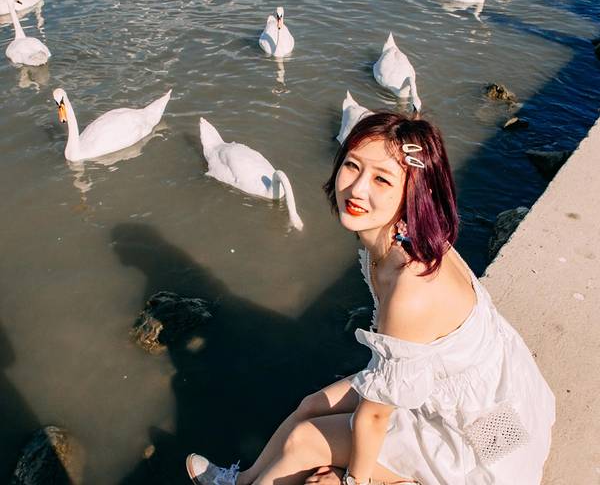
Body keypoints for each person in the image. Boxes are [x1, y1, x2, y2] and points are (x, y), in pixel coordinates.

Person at [186, 111, 556, 485]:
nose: (358, 189)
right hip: (446, 389)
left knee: (304, 441)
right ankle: (242, 481)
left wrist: (351, 480)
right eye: (352, 165)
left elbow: (375, 416)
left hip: (476, 440)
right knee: (310, 406)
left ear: (412, 192)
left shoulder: (411, 287)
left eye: (382, 178)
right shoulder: (397, 240)